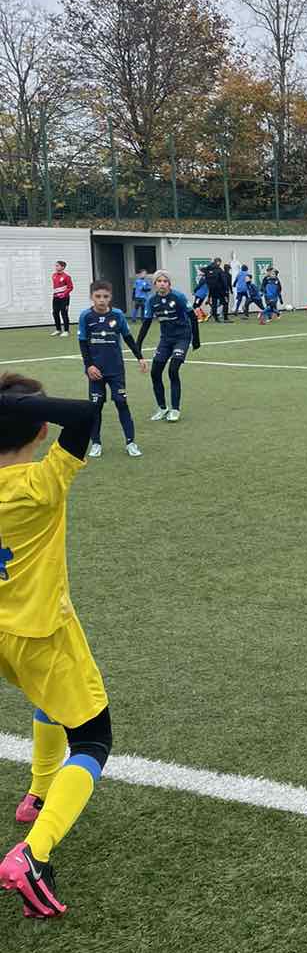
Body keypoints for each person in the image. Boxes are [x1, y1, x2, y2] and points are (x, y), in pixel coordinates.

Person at [0, 375, 113, 919]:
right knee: (92, 738)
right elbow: (87, 414)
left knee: (49, 698)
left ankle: (37, 792)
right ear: (41, 429)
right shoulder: (42, 483)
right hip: (42, 630)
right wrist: (21, 404)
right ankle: (33, 854)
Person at [78, 280, 147, 459]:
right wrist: (89, 366)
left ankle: (131, 442)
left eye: (105, 296)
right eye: (98, 296)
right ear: (92, 297)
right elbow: (83, 343)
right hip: (95, 371)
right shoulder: (86, 316)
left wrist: (140, 357)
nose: (101, 300)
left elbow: (128, 337)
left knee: (121, 402)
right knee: (95, 406)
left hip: (115, 369)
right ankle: (96, 443)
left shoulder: (117, 315)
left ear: (110, 297)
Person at [135, 271, 197, 423]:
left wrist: (196, 340)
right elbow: (146, 323)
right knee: (155, 373)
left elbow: (193, 317)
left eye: (165, 281)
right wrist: (138, 345)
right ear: (155, 284)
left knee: (173, 370)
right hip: (166, 340)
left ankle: (175, 409)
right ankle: (162, 408)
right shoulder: (151, 300)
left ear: (169, 284)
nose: (162, 283)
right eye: (159, 281)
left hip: (182, 337)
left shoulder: (178, 297)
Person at [50, 261, 73, 336]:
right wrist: (56, 294)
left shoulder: (67, 276)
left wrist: (64, 294)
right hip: (56, 297)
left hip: (64, 298)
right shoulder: (53, 275)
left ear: (62, 267)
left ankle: (66, 331)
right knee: (55, 313)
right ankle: (58, 329)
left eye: (57, 266)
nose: (56, 267)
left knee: (64, 313)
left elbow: (70, 287)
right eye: (55, 266)